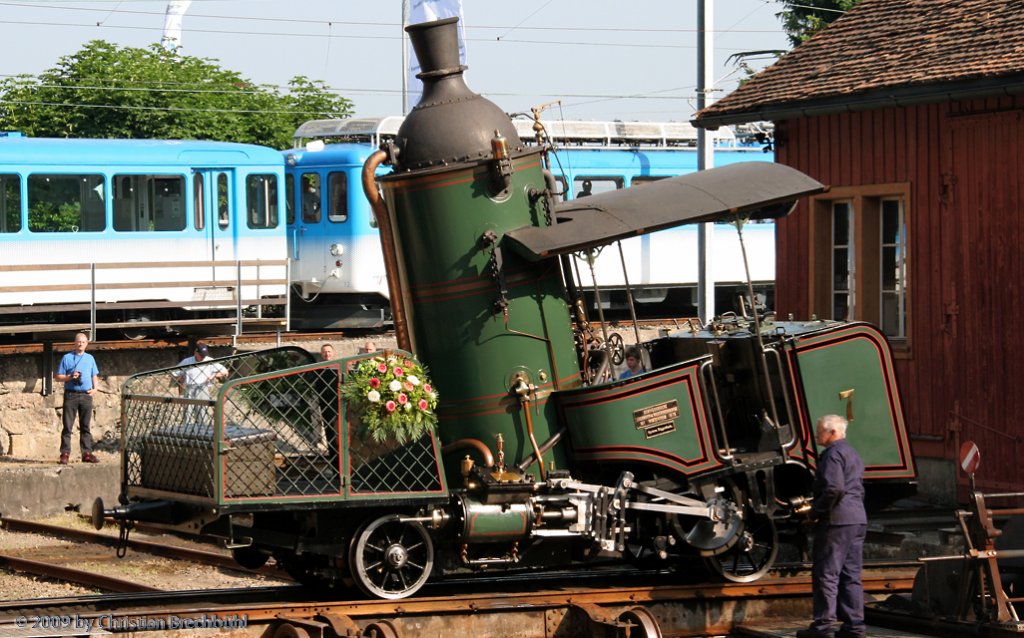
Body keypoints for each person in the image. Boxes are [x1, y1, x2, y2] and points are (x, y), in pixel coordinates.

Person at [797, 414, 867, 638]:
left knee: (826, 574)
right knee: (851, 575)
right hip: (857, 518)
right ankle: (854, 627)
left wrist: (815, 512)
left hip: (837, 521)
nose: (817, 435)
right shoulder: (852, 453)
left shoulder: (833, 455)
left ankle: (823, 627)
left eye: (820, 431)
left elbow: (834, 489)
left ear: (832, 433)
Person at [54, 332, 100, 464]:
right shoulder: (66, 358)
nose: (81, 344)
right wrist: (70, 377)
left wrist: (95, 388)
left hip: (86, 395)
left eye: (83, 342)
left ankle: (87, 453)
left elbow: (94, 375)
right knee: (67, 426)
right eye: (78, 341)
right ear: (74, 343)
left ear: (86, 344)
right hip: (71, 395)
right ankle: (65, 453)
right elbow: (58, 377)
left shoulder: (90, 358)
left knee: (85, 426)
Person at [174, 343, 228, 425]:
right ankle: (188, 431)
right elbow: (174, 373)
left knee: (203, 413)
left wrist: (213, 375)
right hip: (189, 388)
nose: (203, 358)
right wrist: (181, 381)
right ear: (196, 353)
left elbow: (224, 371)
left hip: (203, 388)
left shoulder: (209, 360)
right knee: (188, 413)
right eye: (201, 355)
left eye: (204, 356)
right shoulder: (187, 361)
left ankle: (202, 431)